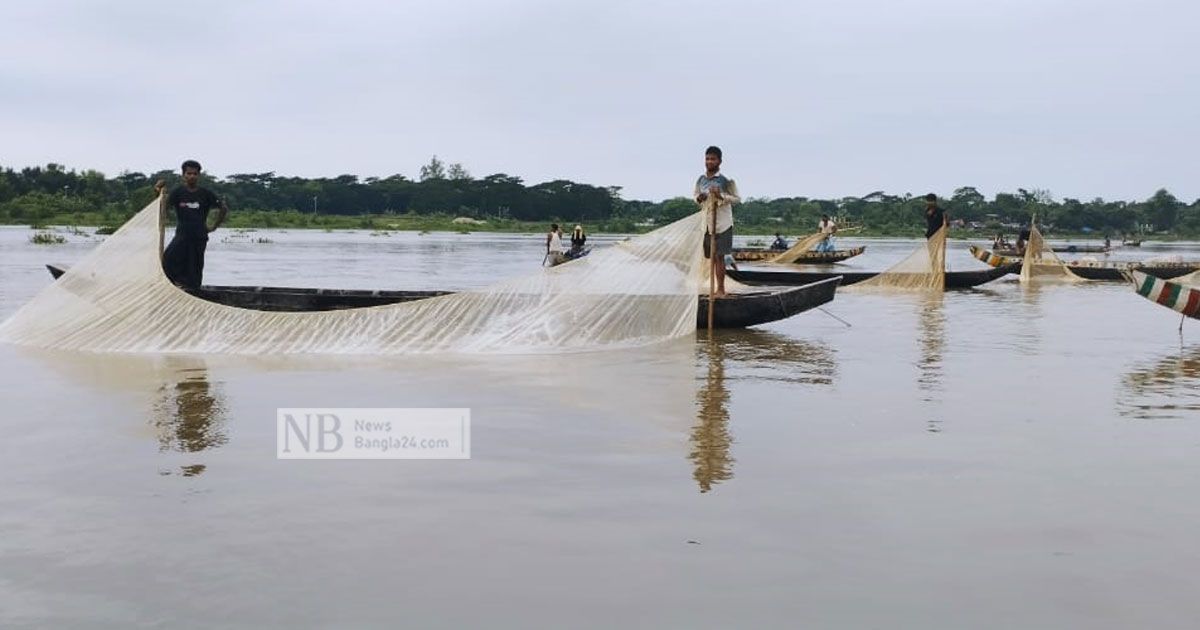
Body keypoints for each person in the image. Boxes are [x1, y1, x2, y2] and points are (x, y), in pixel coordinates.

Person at [157, 159, 228, 289]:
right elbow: (162, 207)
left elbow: (223, 208)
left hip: (199, 235)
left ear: (198, 175)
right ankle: (175, 285)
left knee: (195, 265)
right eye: (189, 173)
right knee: (168, 259)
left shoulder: (205, 194)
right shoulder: (178, 193)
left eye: (195, 174)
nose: (192, 176)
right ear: (183, 175)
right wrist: (158, 192)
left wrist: (213, 226)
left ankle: (194, 290)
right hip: (182, 234)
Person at [695, 145, 740, 298]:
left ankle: (720, 289)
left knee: (720, 257)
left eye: (713, 159)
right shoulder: (701, 180)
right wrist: (699, 198)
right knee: (712, 258)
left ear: (719, 161)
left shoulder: (725, 181)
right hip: (708, 224)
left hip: (722, 224)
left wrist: (720, 196)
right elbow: (696, 197)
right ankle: (713, 289)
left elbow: (736, 199)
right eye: (707, 159)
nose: (709, 162)